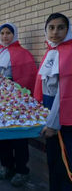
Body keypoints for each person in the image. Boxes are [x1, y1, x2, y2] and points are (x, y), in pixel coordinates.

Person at [0, 22, 37, 187]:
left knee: (18, 135)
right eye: (2, 33)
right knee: (2, 133)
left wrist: (18, 94)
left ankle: (22, 170)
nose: (5, 36)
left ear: (15, 35)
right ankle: (6, 166)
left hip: (16, 101)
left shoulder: (23, 54)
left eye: (8, 33)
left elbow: (28, 78)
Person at [34, 13, 72, 191]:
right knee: (52, 158)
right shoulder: (50, 52)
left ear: (68, 29)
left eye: (61, 27)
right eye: (51, 27)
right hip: (49, 111)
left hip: (63, 114)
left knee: (65, 161)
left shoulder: (70, 52)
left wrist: (52, 124)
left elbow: (65, 92)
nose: (55, 32)